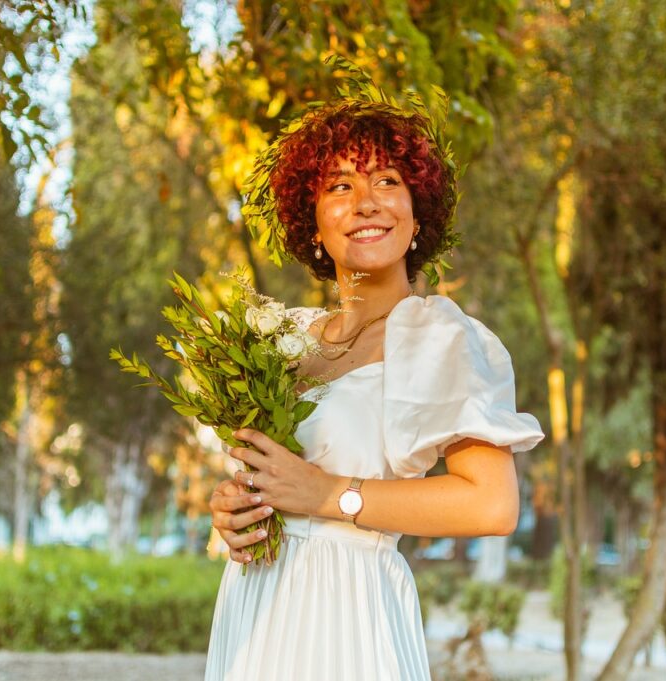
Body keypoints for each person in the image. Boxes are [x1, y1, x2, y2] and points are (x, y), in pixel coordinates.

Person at [203, 86, 544, 681]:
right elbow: (275, 479)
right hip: (253, 605)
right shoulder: (283, 339)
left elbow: (492, 505)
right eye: (339, 186)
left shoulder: (439, 336)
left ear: (417, 217)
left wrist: (329, 495)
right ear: (313, 224)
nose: (365, 202)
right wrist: (236, 508)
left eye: (387, 181)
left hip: (349, 615)